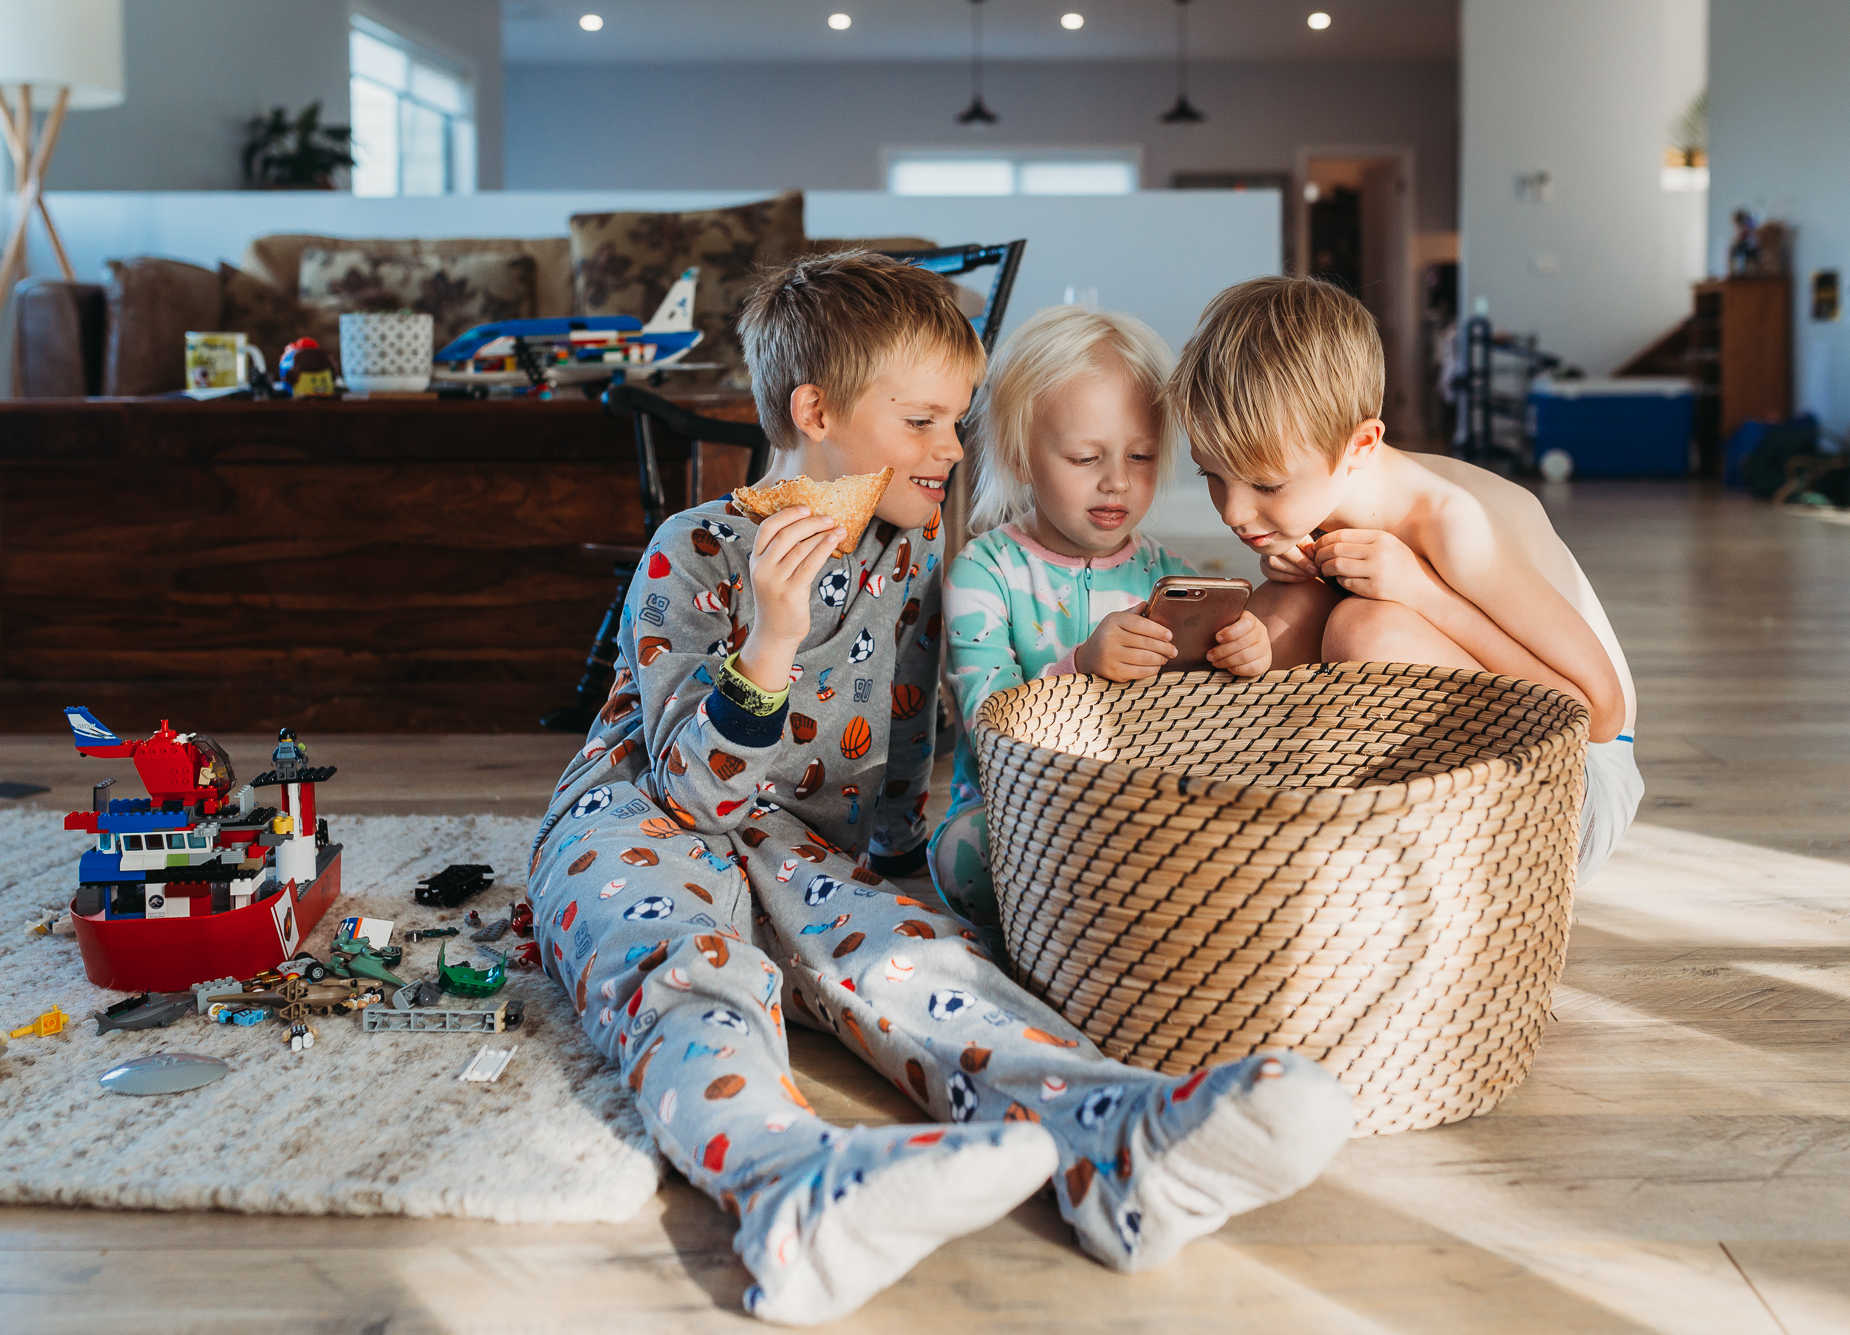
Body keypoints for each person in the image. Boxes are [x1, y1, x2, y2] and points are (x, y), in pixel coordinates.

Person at [527, 253, 1353, 1326]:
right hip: (637, 818)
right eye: (922, 422)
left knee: (918, 963)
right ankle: (788, 1191)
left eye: (956, 421)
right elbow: (695, 796)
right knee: (691, 966)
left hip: (800, 846)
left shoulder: (908, 556)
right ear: (813, 411)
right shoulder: (692, 551)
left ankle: (1120, 1146)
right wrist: (771, 641)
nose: (952, 451)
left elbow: (900, 754)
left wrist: (899, 889)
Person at [1170, 275, 1642, 884]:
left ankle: (1360, 860)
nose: (1233, 512)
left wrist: (1422, 593)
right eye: (1211, 475)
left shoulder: (1454, 526)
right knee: (1281, 613)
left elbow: (1596, 713)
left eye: (1265, 486)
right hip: (1490, 759)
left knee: (1368, 631)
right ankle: (1251, 818)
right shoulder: (1330, 495)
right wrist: (1298, 558)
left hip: (1569, 798)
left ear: (1361, 444)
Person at [934, 306, 1272, 947]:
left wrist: (1246, 654)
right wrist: (1080, 667)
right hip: (1019, 812)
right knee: (964, 859)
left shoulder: (1170, 575)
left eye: (1142, 457)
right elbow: (986, 729)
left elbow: (1209, 724)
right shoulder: (985, 573)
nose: (1117, 480)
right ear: (1021, 457)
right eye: (1086, 457)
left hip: (1142, 806)